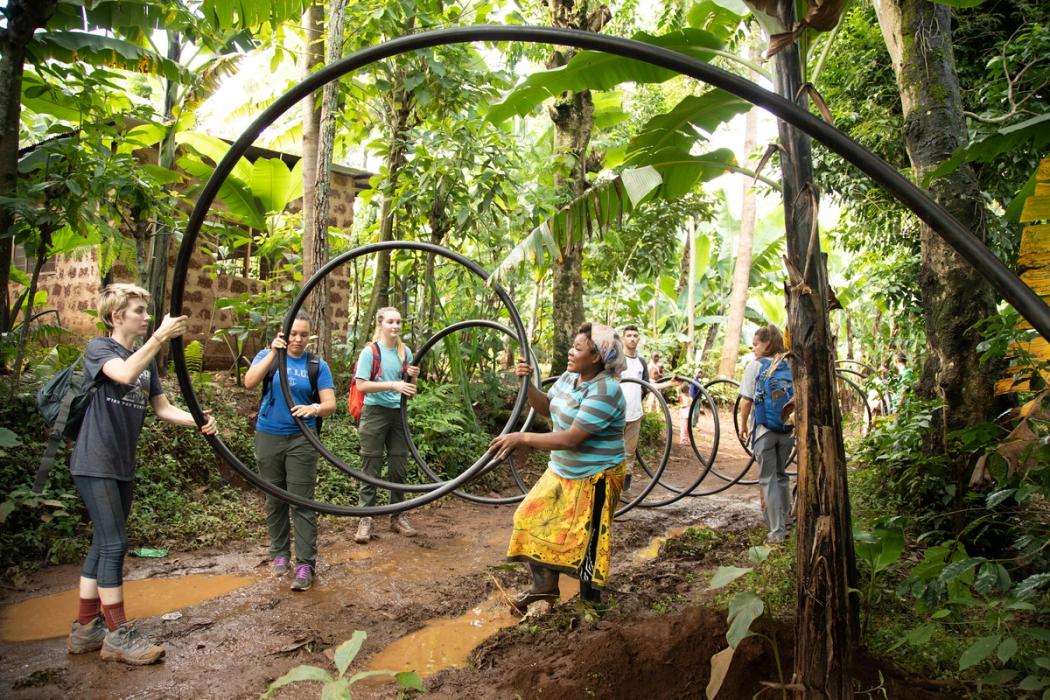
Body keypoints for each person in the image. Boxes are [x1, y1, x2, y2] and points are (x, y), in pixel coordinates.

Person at [66, 283, 217, 665]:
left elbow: (163, 408)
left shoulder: (145, 360)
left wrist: (198, 420)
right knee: (115, 544)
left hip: (121, 464)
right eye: (139, 311)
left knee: (103, 543)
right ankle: (117, 634)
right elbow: (122, 374)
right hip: (94, 460)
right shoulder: (100, 350)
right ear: (117, 317)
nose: (146, 318)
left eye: (147, 313)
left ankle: (86, 628)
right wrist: (160, 337)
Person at [490, 323, 627, 612]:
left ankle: (591, 604)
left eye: (578, 348)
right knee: (528, 517)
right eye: (572, 345)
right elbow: (546, 406)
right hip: (562, 471)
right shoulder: (569, 377)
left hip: (596, 476)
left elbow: (572, 438)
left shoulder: (606, 389)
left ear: (596, 358)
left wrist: (522, 437)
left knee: (588, 539)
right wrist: (527, 385)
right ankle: (544, 589)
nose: (570, 351)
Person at [243, 312, 336, 592]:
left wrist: (315, 408)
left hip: (302, 438)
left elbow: (330, 403)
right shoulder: (268, 356)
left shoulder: (316, 365)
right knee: (275, 498)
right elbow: (249, 382)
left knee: (302, 502)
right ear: (284, 332)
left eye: (303, 335)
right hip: (268, 435)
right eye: (293, 333)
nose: (298, 339)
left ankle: (305, 564)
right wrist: (273, 352)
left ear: (310, 336)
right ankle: (279, 555)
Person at [353, 307, 421, 544]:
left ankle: (397, 515)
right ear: (380, 323)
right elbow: (361, 385)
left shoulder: (406, 352)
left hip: (398, 414)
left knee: (398, 466)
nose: (395, 326)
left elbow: (411, 390)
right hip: (374, 413)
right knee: (370, 465)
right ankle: (366, 518)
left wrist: (413, 377)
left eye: (399, 322)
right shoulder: (370, 352)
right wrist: (393, 385)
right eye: (390, 321)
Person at [738, 324, 793, 544]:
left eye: (756, 344)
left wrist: (743, 426)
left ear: (767, 344)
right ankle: (787, 523)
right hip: (787, 430)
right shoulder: (789, 364)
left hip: (763, 431)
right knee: (782, 476)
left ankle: (776, 532)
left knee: (768, 479)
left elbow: (746, 401)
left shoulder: (755, 366)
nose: (753, 349)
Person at [620, 325, 649, 488]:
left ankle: (625, 488)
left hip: (634, 414)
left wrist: (670, 383)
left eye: (635, 336)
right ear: (623, 338)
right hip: (615, 413)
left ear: (639, 339)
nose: (632, 338)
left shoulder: (641, 362)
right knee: (611, 450)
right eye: (629, 335)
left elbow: (646, 387)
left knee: (629, 452)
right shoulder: (617, 360)